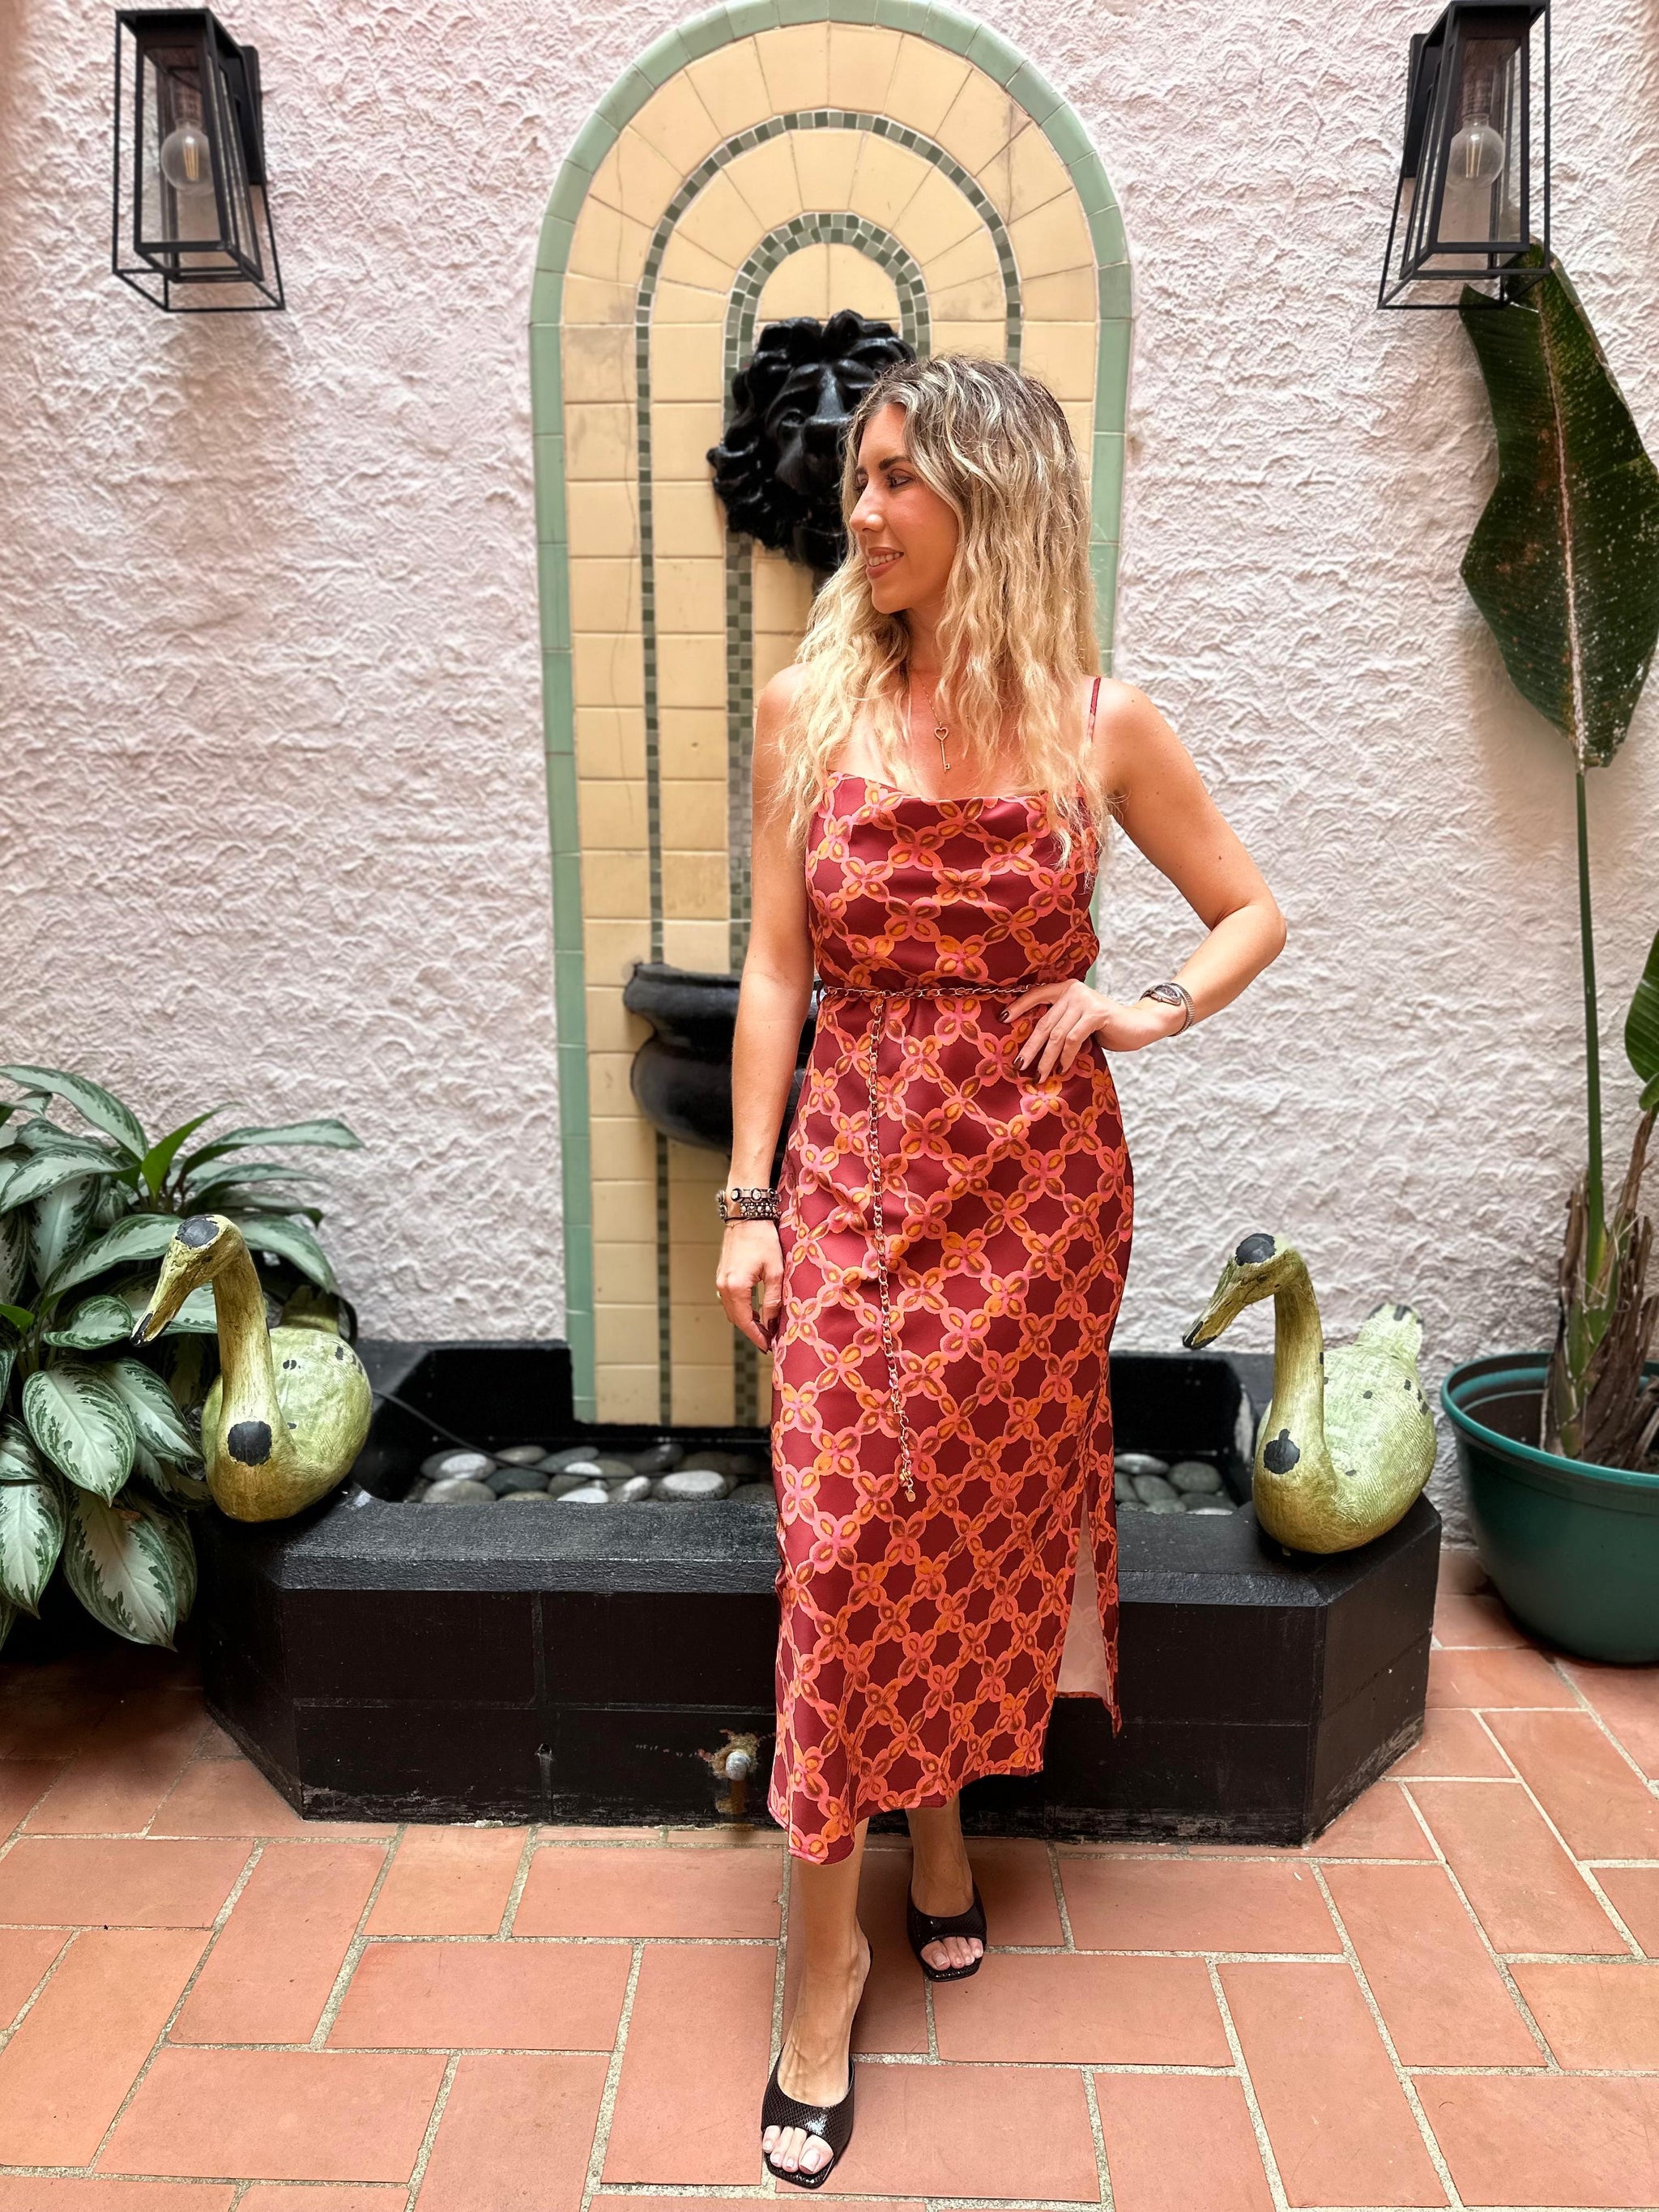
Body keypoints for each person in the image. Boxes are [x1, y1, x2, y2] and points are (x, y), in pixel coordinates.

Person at [714, 353, 1287, 2188]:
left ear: (994, 498)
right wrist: (747, 1198)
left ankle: (946, 1826)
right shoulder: (806, 707)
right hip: (851, 1176)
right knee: (836, 1545)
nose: (862, 509)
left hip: (1036, 1200)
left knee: (967, 1518)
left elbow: (1252, 909)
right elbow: (778, 974)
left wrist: (1143, 1007)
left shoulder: (1098, 725)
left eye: (899, 478)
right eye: (859, 477)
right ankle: (824, 1970)